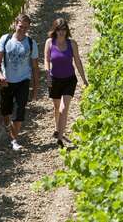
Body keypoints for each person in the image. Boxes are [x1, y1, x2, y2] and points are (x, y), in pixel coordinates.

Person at [0, 14, 39, 151]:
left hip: (23, 81)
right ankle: (8, 128)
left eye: (26, 28)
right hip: (7, 81)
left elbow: (35, 67)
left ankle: (14, 140)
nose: (22, 29)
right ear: (15, 24)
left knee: (20, 110)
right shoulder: (5, 39)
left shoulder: (31, 43)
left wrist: (35, 88)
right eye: (21, 26)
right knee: (5, 110)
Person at [44, 18, 88, 148]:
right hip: (55, 79)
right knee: (57, 107)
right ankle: (57, 128)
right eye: (59, 30)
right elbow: (46, 60)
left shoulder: (72, 44)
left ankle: (60, 138)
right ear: (55, 30)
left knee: (64, 108)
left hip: (69, 80)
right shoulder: (49, 42)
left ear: (67, 31)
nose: (61, 32)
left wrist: (84, 79)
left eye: (64, 30)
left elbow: (78, 62)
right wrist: (47, 73)